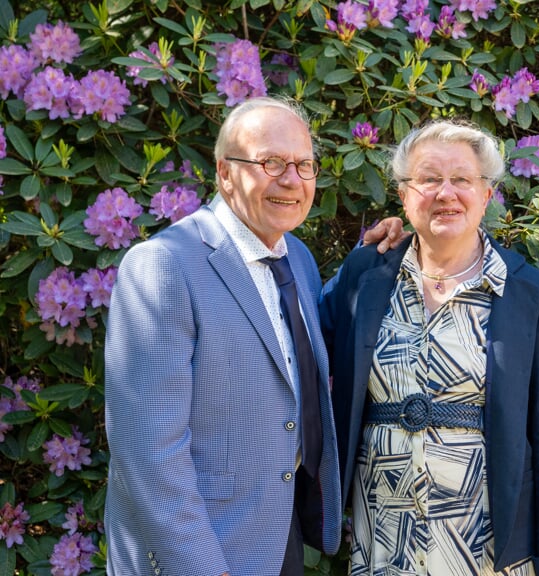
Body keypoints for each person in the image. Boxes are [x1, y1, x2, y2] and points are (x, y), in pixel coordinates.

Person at [104, 96, 404, 575]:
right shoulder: (164, 266)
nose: (291, 179)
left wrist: (372, 259)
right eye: (271, 162)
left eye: (304, 165)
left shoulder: (296, 257)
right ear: (225, 173)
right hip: (200, 548)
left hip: (274, 534)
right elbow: (147, 450)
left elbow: (306, 339)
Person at [320, 119, 539, 576]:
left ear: (486, 195)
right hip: (384, 539)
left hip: (486, 548)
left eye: (462, 179)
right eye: (428, 179)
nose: (446, 193)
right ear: (404, 195)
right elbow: (298, 336)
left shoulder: (528, 293)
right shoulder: (366, 276)